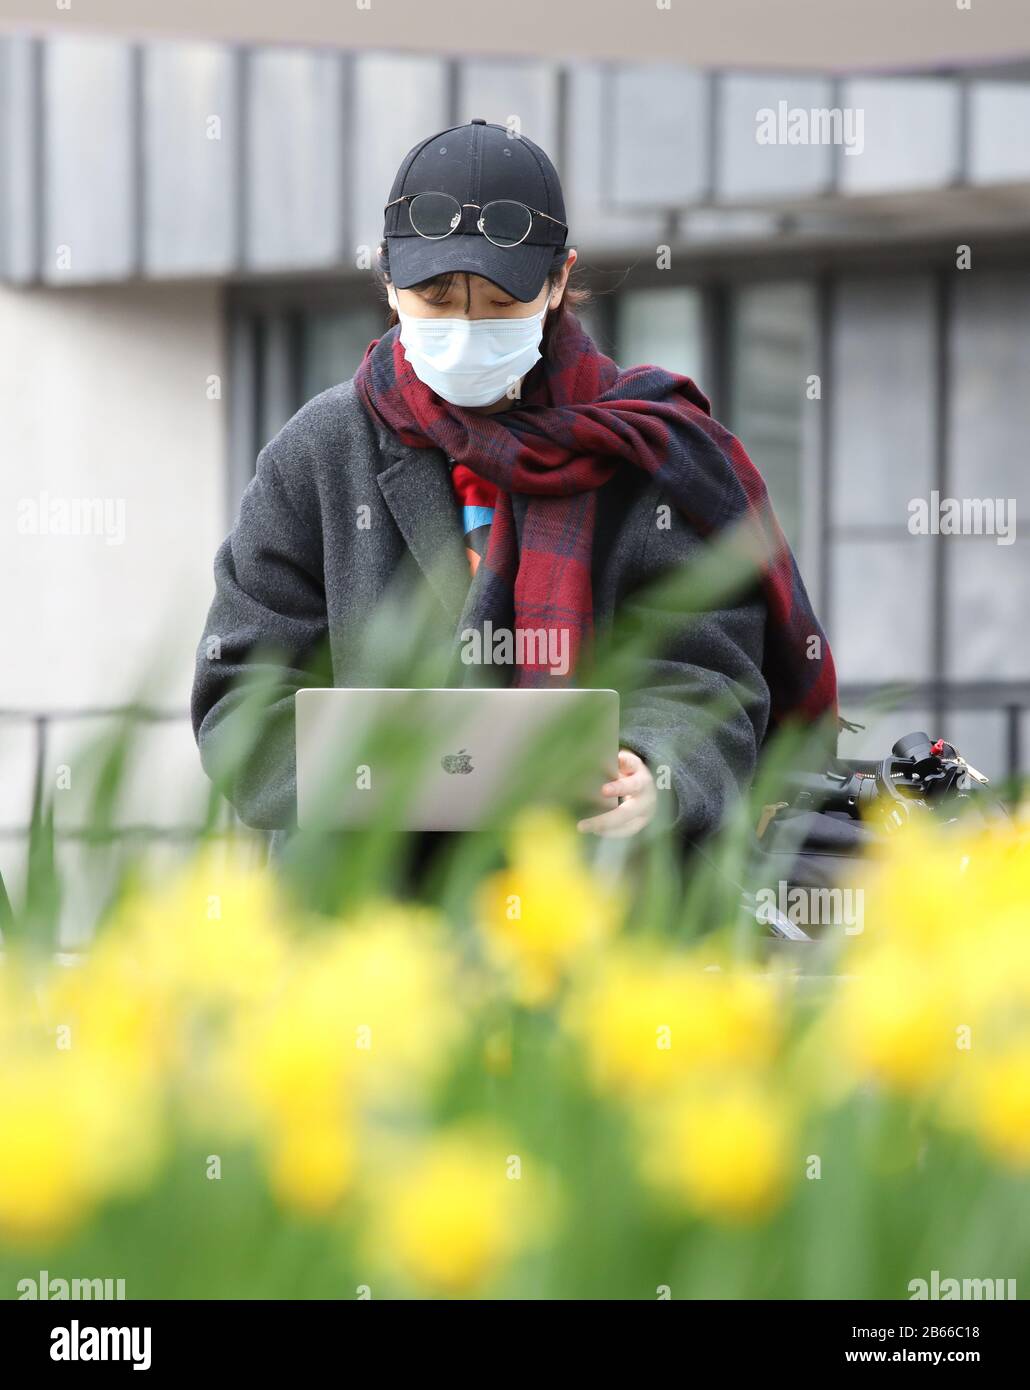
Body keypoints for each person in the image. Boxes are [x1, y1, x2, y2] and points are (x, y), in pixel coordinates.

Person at [191, 119, 837, 867]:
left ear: (560, 279)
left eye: (501, 304)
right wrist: (371, 782)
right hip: (368, 931)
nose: (467, 328)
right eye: (437, 299)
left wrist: (655, 773)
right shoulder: (319, 451)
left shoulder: (650, 448)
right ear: (388, 283)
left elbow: (705, 674)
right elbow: (240, 690)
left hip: (594, 909)